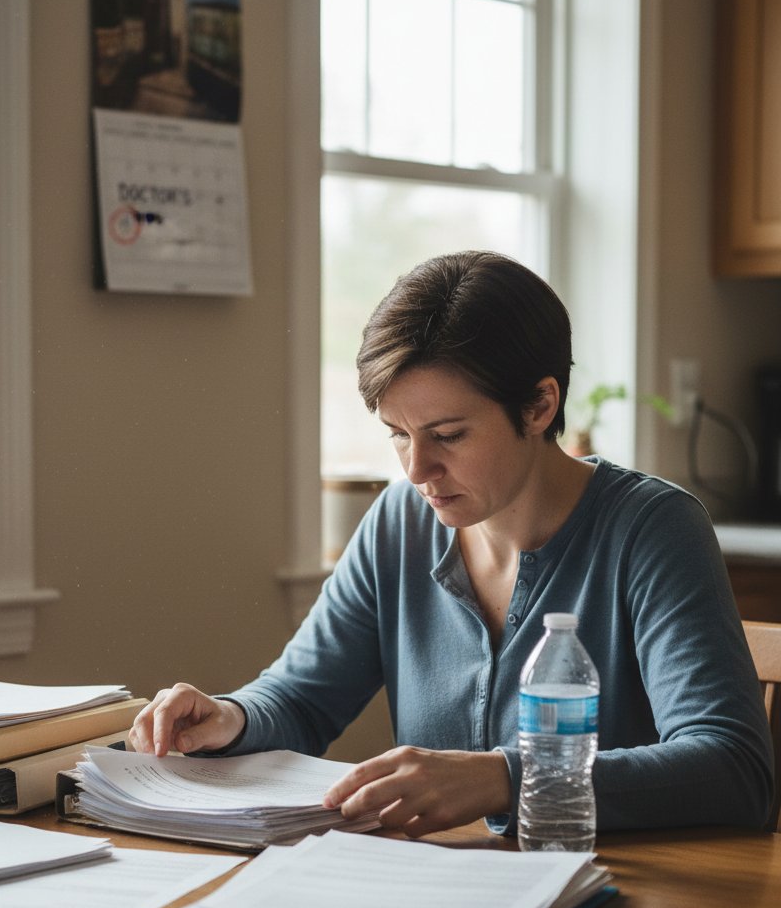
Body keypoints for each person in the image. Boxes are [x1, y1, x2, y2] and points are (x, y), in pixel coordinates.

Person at [130, 250, 775, 837]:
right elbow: (301, 699)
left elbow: (733, 768)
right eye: (397, 434)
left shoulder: (653, 529)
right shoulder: (399, 522)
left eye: (448, 434)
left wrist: (503, 777)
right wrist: (232, 716)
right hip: (448, 904)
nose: (417, 470)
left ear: (539, 406)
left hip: (633, 903)